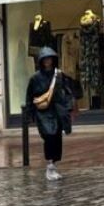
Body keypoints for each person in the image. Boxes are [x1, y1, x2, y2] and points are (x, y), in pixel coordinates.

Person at [25, 46, 73, 181]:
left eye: (50, 59)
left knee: (57, 137)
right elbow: (29, 96)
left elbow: (67, 91)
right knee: (49, 136)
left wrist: (68, 107)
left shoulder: (58, 74)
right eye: (45, 59)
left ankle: (53, 164)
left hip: (57, 110)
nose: (48, 62)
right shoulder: (35, 78)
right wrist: (30, 114)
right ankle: (50, 165)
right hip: (43, 111)